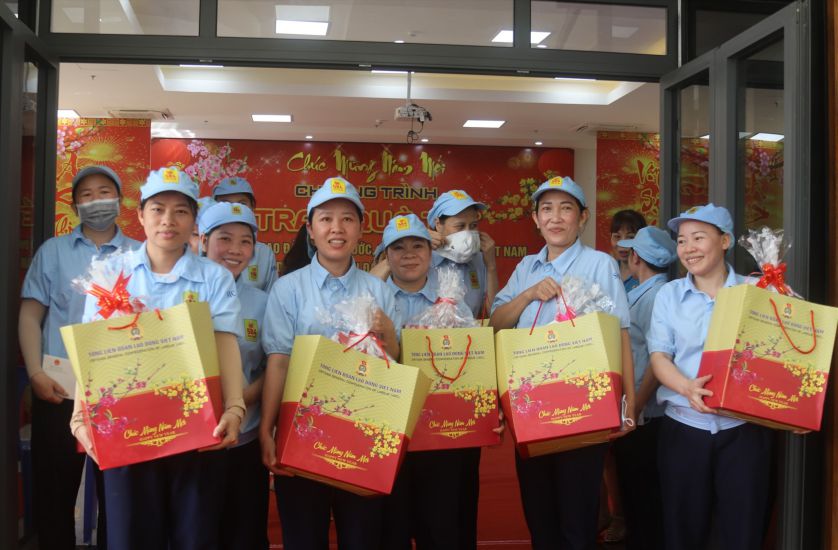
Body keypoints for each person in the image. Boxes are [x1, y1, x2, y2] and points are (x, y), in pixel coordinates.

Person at [70, 166, 246, 549]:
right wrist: (80, 413)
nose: (169, 220)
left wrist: (234, 408)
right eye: (158, 209)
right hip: (128, 431)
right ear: (140, 215)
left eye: (181, 211)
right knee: (130, 536)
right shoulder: (109, 273)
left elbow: (225, 344)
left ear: (194, 221)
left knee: (195, 536)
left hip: (199, 430)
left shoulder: (214, 278)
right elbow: (93, 353)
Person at [490, 176, 635, 550]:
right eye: (547, 209)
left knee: (578, 521)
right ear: (536, 219)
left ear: (582, 218)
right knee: (540, 517)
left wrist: (628, 404)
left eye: (566, 208)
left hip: (582, 408)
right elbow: (496, 323)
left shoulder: (599, 264)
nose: (556, 218)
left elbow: (620, 334)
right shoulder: (526, 267)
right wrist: (527, 294)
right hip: (532, 410)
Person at [260, 176, 401, 550]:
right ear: (310, 228)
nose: (336, 228)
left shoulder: (380, 292)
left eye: (347, 219)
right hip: (299, 434)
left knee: (363, 537)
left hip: (364, 436)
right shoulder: (288, 289)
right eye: (325, 219)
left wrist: (390, 336)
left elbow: (396, 370)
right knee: (304, 537)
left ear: (360, 228)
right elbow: (278, 362)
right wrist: (267, 429)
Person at [19, 165, 140, 549]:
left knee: (119, 499)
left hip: (120, 395)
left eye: (104, 192)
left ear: (119, 200)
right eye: (86, 195)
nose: (97, 201)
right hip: (58, 388)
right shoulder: (52, 252)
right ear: (74, 205)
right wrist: (35, 372)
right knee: (54, 495)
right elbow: (30, 314)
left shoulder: (140, 254)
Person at [647, 204, 774, 550]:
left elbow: (782, 355)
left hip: (742, 433)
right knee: (682, 532)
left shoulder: (755, 292)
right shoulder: (669, 296)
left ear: (725, 241)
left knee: (742, 532)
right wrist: (685, 386)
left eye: (699, 238)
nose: (688, 248)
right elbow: (659, 356)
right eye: (682, 240)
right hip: (684, 431)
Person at [376, 214, 481, 550]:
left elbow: (472, 369)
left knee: (441, 529)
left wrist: (485, 411)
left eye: (417, 245)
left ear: (430, 251)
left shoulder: (452, 302)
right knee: (390, 529)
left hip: (441, 438)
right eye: (398, 247)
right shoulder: (372, 301)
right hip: (387, 436)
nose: (409, 253)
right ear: (386, 255)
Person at [199, 201, 269, 550]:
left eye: (245, 241)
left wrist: (239, 403)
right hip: (189, 441)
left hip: (244, 438)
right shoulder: (183, 293)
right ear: (203, 241)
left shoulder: (261, 302)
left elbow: (272, 366)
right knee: (196, 530)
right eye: (225, 239)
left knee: (244, 532)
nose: (236, 250)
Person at [612, 226, 677, 550]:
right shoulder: (644, 292)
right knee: (635, 494)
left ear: (635, 257)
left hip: (645, 415)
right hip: (636, 411)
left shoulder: (656, 296)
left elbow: (657, 360)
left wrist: (635, 406)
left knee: (644, 496)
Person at [427, 190, 498, 319]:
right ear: (438, 225)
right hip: (425, 337)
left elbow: (494, 314)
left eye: (473, 225)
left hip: (468, 338)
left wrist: (491, 267)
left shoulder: (479, 260)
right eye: (460, 226)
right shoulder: (422, 258)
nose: (468, 233)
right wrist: (417, 238)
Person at [212, 176, 277, 291]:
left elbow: (272, 300)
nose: (234, 209)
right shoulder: (201, 248)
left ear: (252, 207)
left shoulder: (265, 253)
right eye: (226, 203)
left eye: (242, 203)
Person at [609, 209, 647, 292]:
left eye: (630, 237)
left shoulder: (647, 276)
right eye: (617, 236)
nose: (622, 243)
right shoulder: (607, 270)